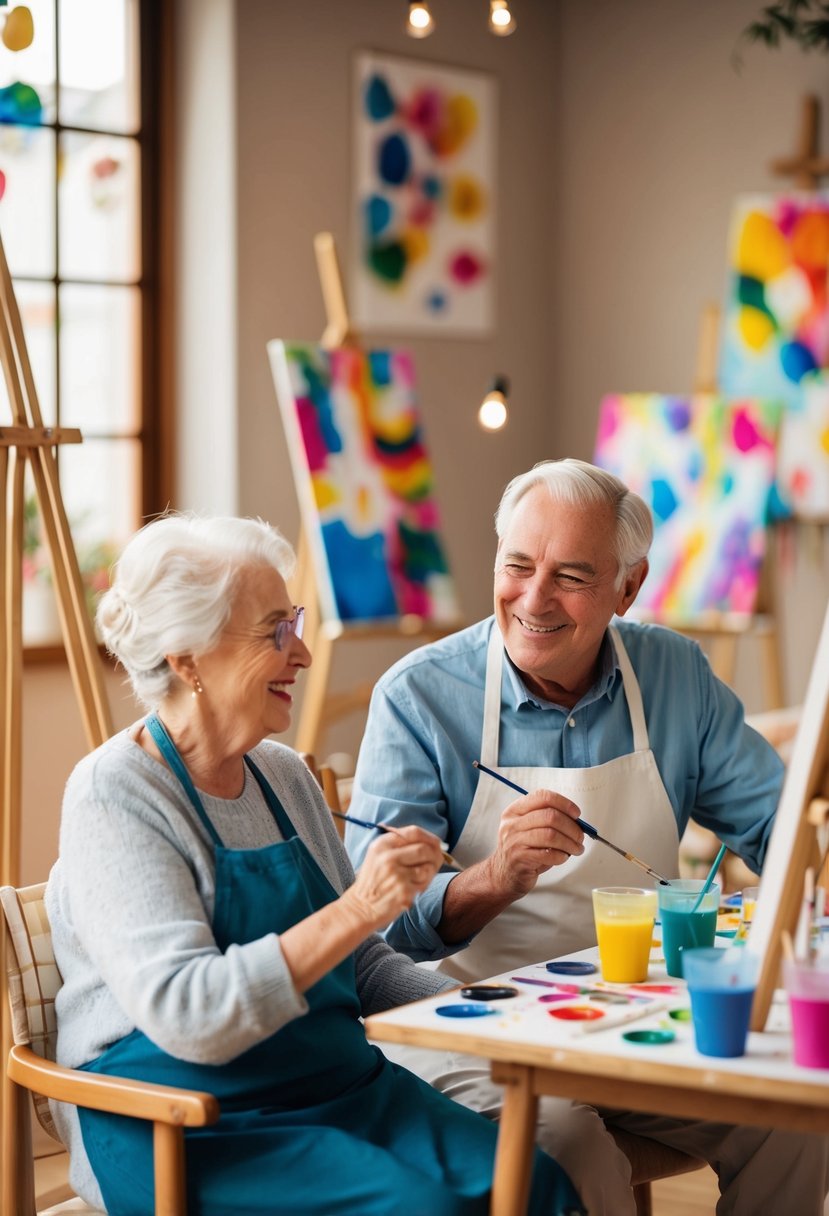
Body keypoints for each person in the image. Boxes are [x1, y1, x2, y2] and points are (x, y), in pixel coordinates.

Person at [45, 513, 584, 1216]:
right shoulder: (114, 793)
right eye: (275, 630)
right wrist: (361, 904)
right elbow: (191, 1017)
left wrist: (483, 1010)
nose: (300, 653)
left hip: (329, 1083)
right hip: (188, 1117)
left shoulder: (281, 775)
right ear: (187, 658)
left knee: (535, 1186)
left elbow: (356, 964)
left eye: (292, 621)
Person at [347, 458, 829, 1216]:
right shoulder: (419, 695)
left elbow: (779, 826)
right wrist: (493, 878)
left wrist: (810, 853)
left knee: (792, 1119)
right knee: (567, 1142)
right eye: (516, 567)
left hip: (632, 1017)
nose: (532, 600)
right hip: (471, 1021)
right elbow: (372, 924)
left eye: (570, 576)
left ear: (627, 587)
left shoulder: (673, 673)